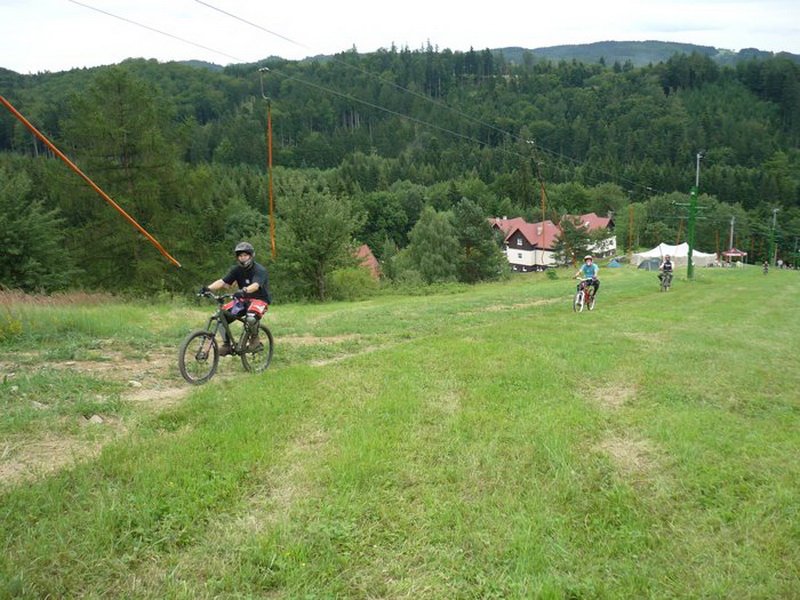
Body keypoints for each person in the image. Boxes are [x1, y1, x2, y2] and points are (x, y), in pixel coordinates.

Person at [202, 241, 272, 355]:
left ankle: (255, 339)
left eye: (245, 255)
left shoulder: (260, 270)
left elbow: (255, 285)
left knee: (250, 318)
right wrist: (208, 289)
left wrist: (244, 290)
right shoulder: (236, 270)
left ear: (251, 255)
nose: (242, 258)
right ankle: (227, 345)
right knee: (221, 316)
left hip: (259, 300)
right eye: (240, 256)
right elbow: (223, 282)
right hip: (243, 300)